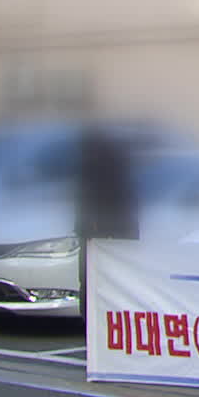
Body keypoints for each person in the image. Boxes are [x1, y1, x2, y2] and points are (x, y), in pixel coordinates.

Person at [74, 126, 138, 311]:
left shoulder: (93, 163)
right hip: (103, 231)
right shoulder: (100, 164)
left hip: (103, 231)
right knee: (100, 279)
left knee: (95, 280)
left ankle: (93, 317)